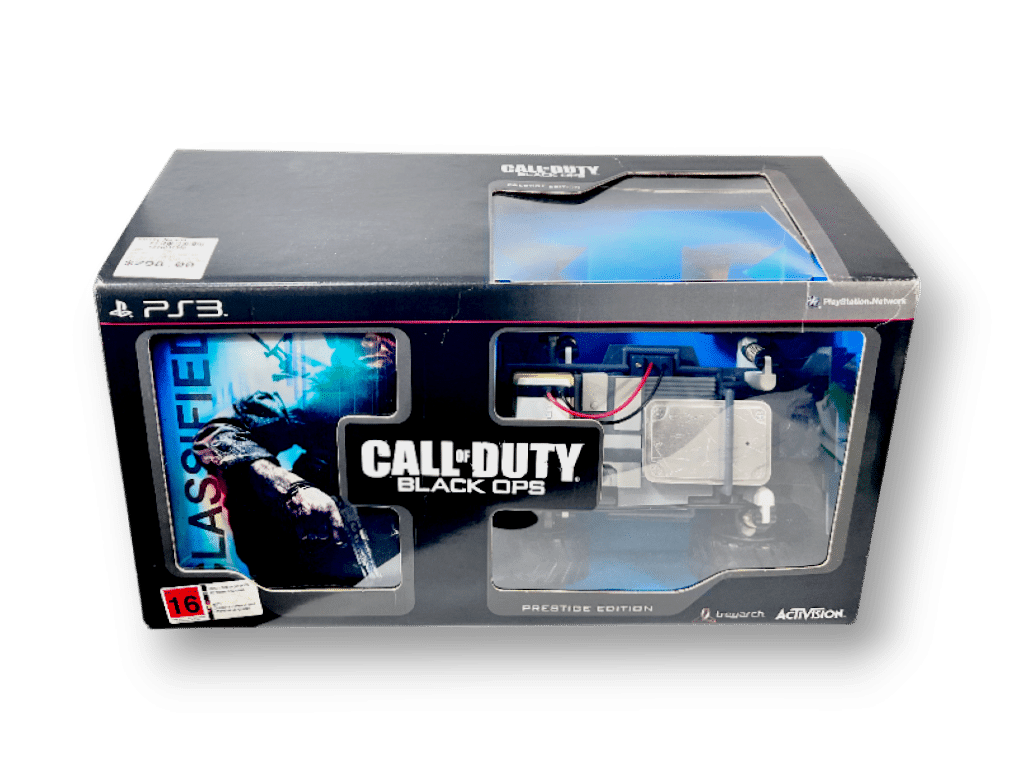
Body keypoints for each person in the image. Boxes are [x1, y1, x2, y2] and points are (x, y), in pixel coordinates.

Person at [193, 333, 398, 588]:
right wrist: (290, 488)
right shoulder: (326, 395)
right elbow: (217, 435)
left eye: (382, 335)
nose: (369, 342)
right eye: (353, 336)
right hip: (329, 567)